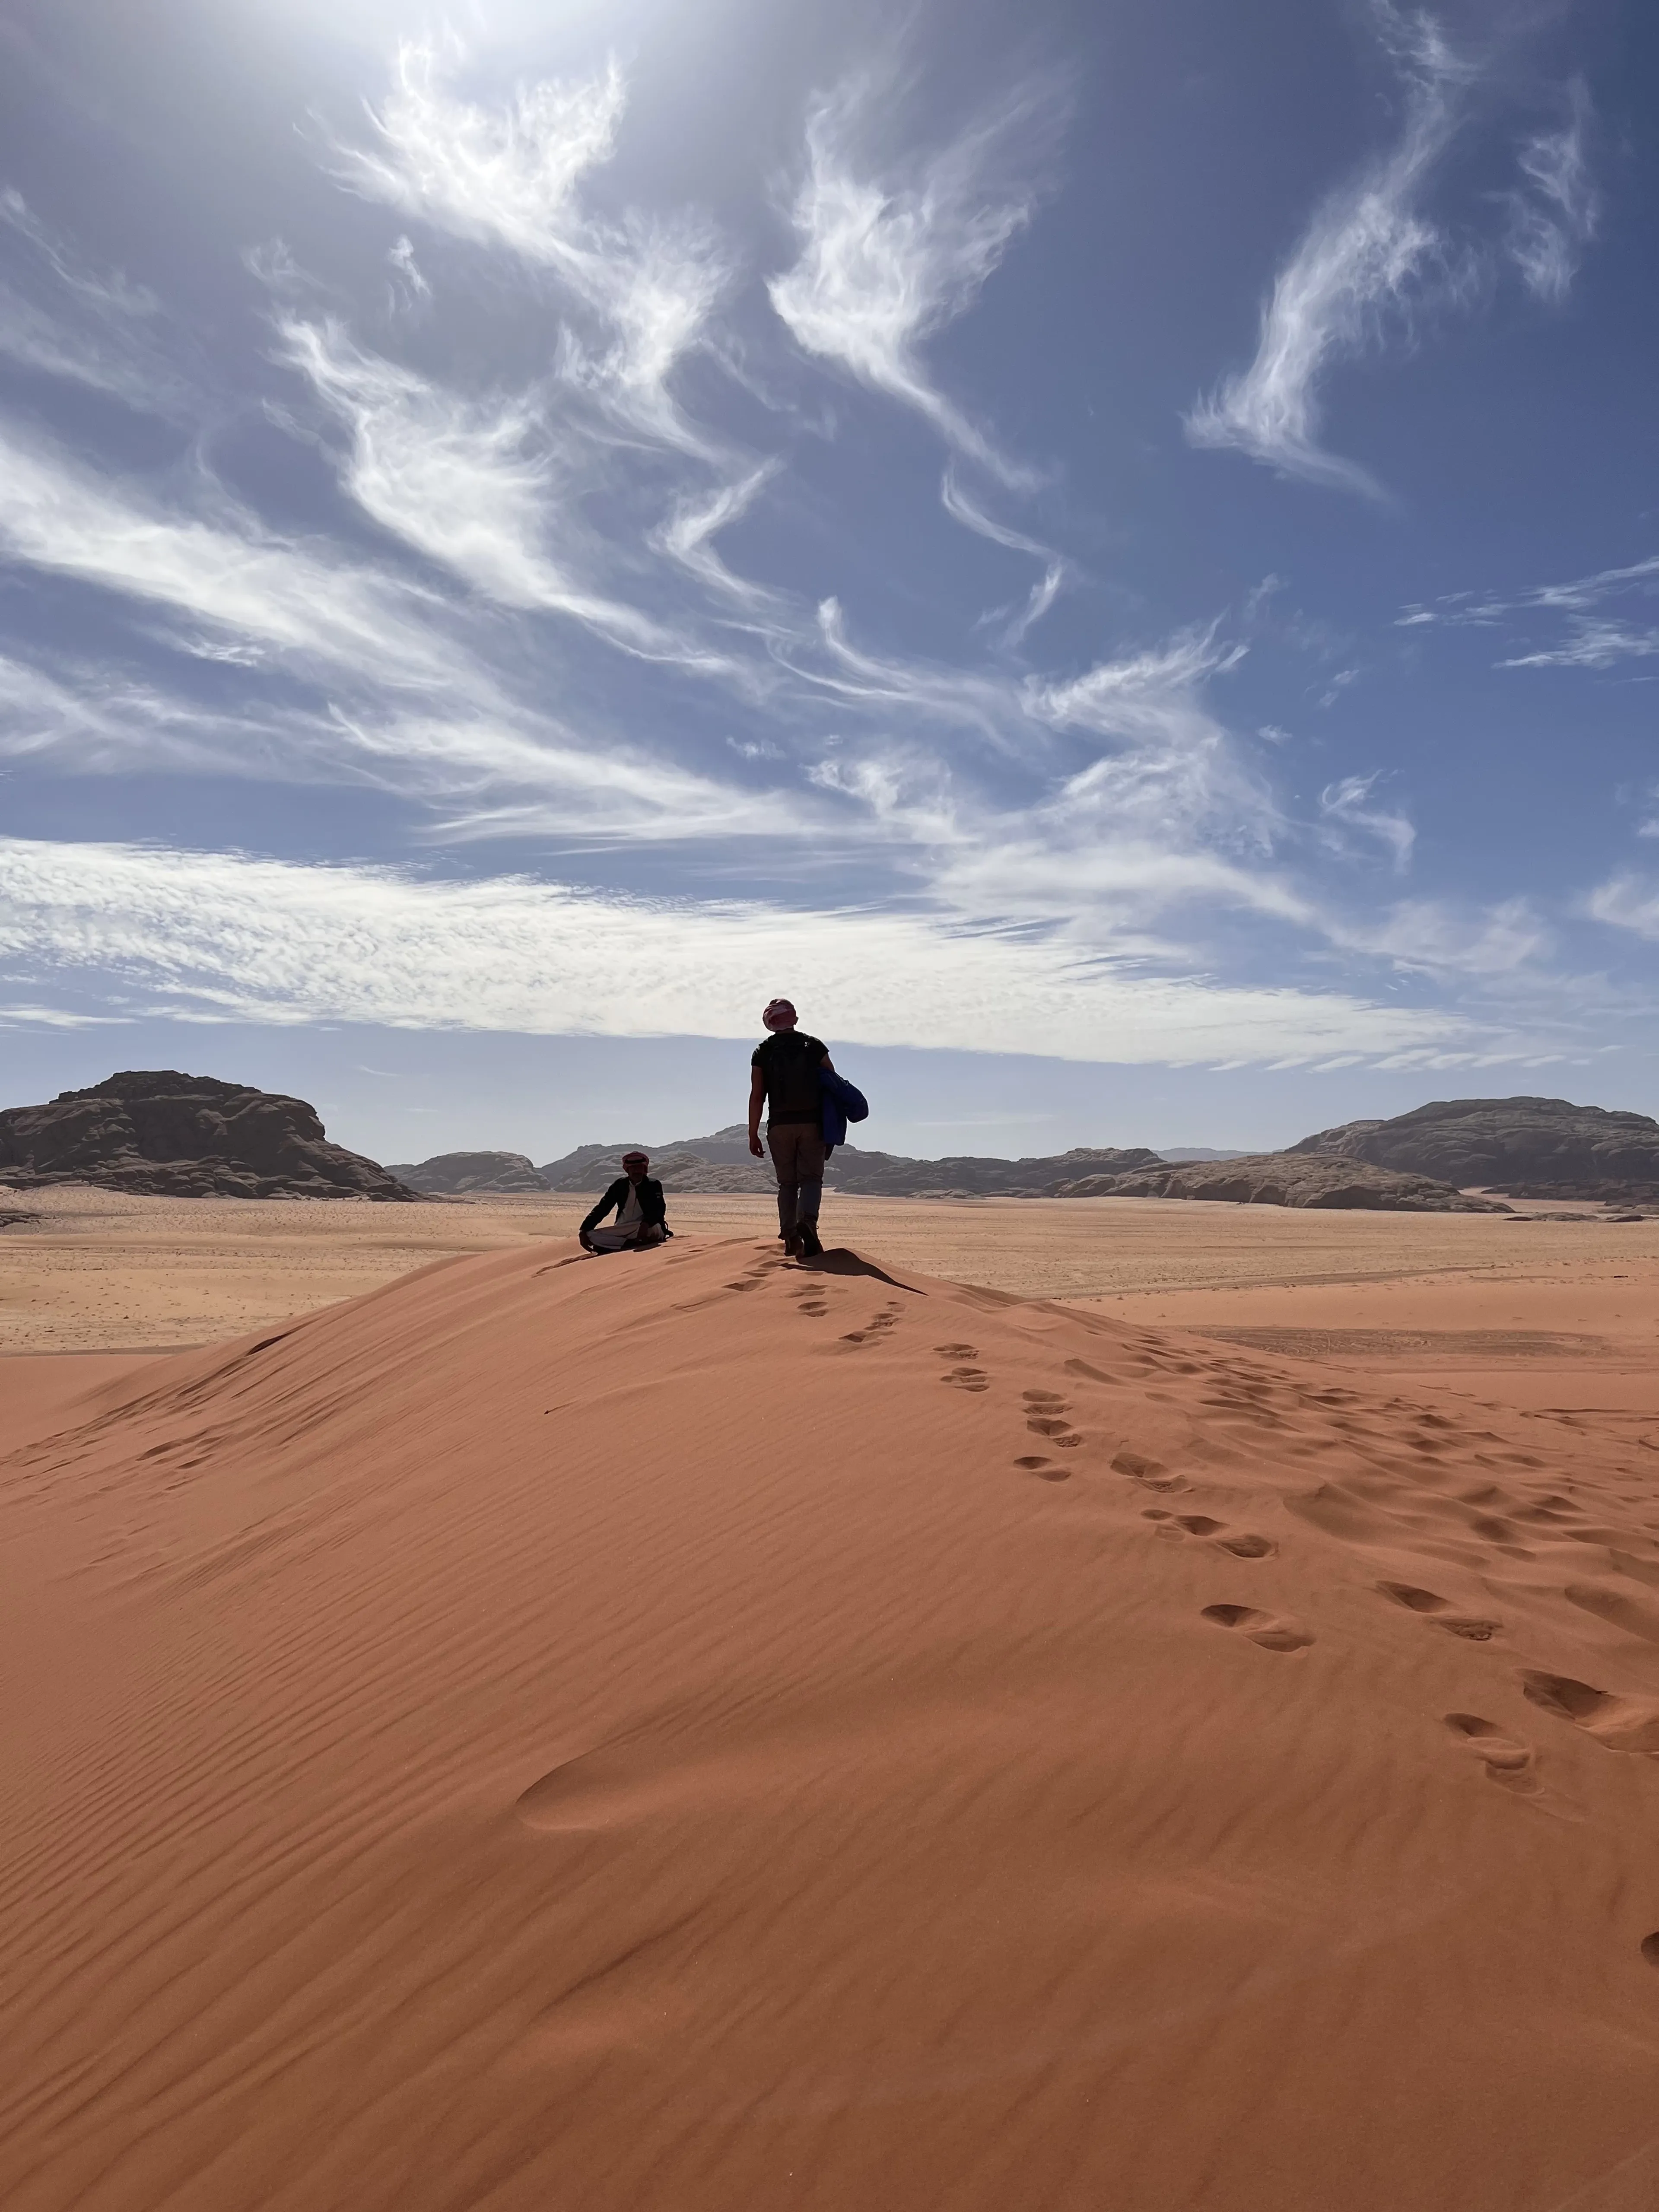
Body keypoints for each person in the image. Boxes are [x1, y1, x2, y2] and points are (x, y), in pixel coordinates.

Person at [748, 998, 833, 1259]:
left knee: (787, 1183)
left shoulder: (763, 1051)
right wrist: (832, 1126)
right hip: (812, 1123)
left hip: (779, 1125)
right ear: (794, 1018)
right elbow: (833, 1085)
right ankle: (807, 1222)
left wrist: (753, 1133)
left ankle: (790, 1235)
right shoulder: (814, 1046)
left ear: (769, 1022)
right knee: (811, 1179)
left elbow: (757, 1095)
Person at [579, 1150, 669, 1252]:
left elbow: (659, 1210)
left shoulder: (653, 1185)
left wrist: (646, 1224)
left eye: (640, 1167)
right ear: (628, 1170)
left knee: (654, 1229)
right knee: (591, 1236)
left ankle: (615, 1245)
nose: (637, 1171)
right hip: (624, 1227)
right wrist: (584, 1229)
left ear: (645, 1169)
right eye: (633, 1168)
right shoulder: (619, 1185)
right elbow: (603, 1208)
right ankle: (629, 1244)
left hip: (647, 1227)